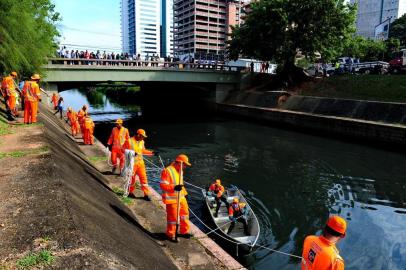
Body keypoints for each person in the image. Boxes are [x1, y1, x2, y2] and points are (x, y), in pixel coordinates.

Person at [160, 154, 192, 242]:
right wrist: (173, 187)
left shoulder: (180, 170)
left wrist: (185, 193)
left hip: (181, 197)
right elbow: (163, 185)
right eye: (185, 164)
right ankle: (171, 234)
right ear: (179, 163)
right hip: (172, 199)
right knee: (173, 218)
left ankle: (184, 231)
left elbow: (181, 184)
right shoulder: (167, 171)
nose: (185, 167)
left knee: (185, 214)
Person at [124, 129, 154, 200]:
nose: (143, 138)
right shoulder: (129, 141)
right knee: (131, 179)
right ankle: (130, 192)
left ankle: (146, 194)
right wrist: (132, 153)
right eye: (142, 136)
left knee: (144, 179)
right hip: (131, 164)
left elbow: (143, 150)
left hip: (140, 164)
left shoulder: (142, 142)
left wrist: (152, 153)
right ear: (138, 135)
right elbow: (123, 150)